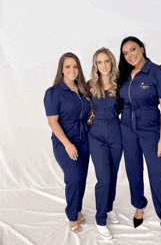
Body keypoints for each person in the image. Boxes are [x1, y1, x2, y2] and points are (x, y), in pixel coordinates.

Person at [118, 37, 161, 245]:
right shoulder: (125, 75)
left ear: (142, 48)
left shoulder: (157, 72)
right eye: (126, 53)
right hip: (127, 130)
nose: (130, 55)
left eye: (133, 49)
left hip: (151, 132)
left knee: (159, 177)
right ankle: (139, 206)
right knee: (133, 171)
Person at [43, 52, 91, 234]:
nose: (72, 70)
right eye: (68, 66)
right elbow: (52, 121)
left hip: (83, 141)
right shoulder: (54, 92)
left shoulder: (83, 90)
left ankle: (78, 209)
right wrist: (67, 144)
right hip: (64, 142)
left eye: (75, 66)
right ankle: (72, 216)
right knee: (74, 177)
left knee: (82, 177)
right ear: (61, 70)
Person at [88, 48, 122, 240]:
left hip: (116, 133)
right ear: (95, 65)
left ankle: (108, 207)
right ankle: (100, 219)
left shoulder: (120, 84)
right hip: (97, 135)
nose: (103, 66)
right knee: (104, 178)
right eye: (99, 62)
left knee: (114, 175)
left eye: (106, 61)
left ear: (112, 62)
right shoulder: (90, 85)